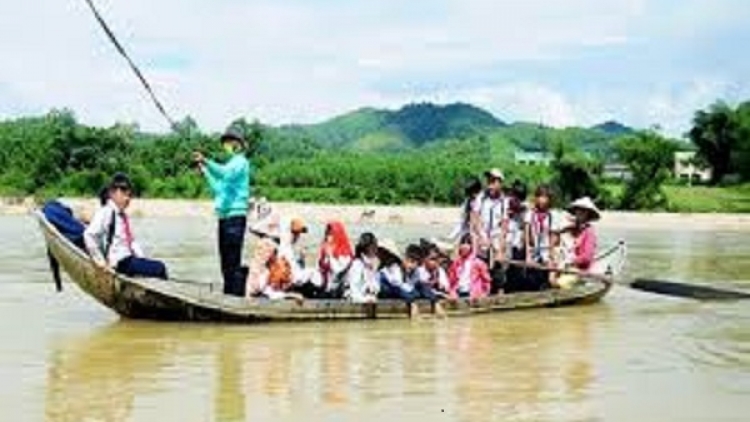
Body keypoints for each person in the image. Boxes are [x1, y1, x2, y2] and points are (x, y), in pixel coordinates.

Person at [193, 126, 252, 296]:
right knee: (225, 264)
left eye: (230, 142)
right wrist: (205, 171)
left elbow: (224, 173)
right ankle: (228, 295)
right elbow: (219, 189)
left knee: (232, 264)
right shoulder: (231, 164)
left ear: (239, 144)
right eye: (225, 142)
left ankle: (234, 298)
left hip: (235, 219)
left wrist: (206, 161)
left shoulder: (240, 162)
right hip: (224, 218)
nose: (227, 145)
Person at [83, 173, 168, 279]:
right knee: (160, 268)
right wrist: (101, 263)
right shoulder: (106, 212)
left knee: (154, 268)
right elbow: (89, 235)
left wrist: (141, 260)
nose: (127, 199)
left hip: (128, 260)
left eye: (129, 196)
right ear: (112, 193)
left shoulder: (122, 216)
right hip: (119, 262)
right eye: (124, 195)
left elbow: (131, 242)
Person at [555, 197, 600, 289]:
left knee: (557, 284)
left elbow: (587, 257)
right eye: (578, 210)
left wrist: (570, 262)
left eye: (583, 211)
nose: (579, 213)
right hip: (568, 266)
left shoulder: (589, 232)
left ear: (588, 214)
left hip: (581, 271)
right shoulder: (575, 228)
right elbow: (557, 235)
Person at [524, 185, 560, 290]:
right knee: (532, 281)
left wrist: (551, 257)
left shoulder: (552, 215)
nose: (542, 200)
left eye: (545, 197)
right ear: (536, 198)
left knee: (546, 282)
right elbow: (527, 235)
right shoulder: (530, 214)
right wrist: (528, 255)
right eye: (540, 196)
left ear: (549, 199)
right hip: (534, 253)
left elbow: (552, 238)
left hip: (546, 254)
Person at [447, 233, 492, 300]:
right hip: (458, 293)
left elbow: (486, 280)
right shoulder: (456, 263)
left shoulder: (478, 263)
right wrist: (452, 292)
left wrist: (484, 293)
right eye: (463, 243)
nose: (464, 246)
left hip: (474, 295)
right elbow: (451, 280)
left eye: (468, 243)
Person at [448, 176, 483, 248]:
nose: (472, 195)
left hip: (480, 235)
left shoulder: (483, 201)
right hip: (468, 233)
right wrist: (451, 237)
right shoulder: (467, 201)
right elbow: (462, 221)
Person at [346, 233, 381, 304]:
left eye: (375, 246)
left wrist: (372, 292)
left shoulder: (375, 262)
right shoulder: (357, 264)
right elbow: (354, 289)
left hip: (370, 298)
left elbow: (376, 286)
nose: (375, 250)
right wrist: (364, 299)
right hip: (357, 300)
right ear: (365, 248)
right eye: (373, 247)